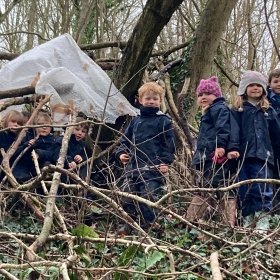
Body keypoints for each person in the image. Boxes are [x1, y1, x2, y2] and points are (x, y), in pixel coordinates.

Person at [116, 82, 176, 235]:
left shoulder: (163, 121)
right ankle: (128, 224)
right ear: (140, 100)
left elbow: (169, 145)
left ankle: (149, 226)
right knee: (126, 195)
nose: (151, 101)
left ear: (160, 101)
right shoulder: (135, 121)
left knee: (148, 197)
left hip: (152, 169)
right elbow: (125, 140)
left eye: (155, 99)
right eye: (148, 98)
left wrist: (165, 162)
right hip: (132, 168)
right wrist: (121, 153)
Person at [186, 76, 240, 227]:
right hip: (209, 155)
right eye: (200, 95)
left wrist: (221, 146)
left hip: (215, 156)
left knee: (210, 186)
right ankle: (224, 222)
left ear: (216, 95)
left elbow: (223, 129)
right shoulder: (209, 111)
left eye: (207, 94)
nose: (203, 97)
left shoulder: (219, 109)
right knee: (215, 185)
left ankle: (190, 219)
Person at [231, 70, 280, 232]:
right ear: (244, 88)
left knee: (262, 188)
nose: (254, 88)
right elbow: (234, 132)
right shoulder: (237, 110)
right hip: (243, 156)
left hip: (263, 156)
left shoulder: (269, 111)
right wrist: (233, 148)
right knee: (244, 189)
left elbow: (276, 136)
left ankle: (263, 218)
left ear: (264, 89)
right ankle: (248, 217)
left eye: (258, 85)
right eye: (250, 85)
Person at [13, 112, 56, 183]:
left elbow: (51, 154)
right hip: (23, 164)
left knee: (47, 168)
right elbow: (15, 151)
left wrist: (39, 153)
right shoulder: (26, 135)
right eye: (41, 124)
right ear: (34, 125)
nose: (44, 127)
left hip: (40, 165)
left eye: (47, 126)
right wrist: (27, 145)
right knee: (23, 178)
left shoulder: (51, 139)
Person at [54, 117, 89, 183]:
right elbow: (56, 155)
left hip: (74, 170)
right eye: (77, 129)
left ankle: (82, 187)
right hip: (61, 168)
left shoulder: (82, 144)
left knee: (86, 164)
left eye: (83, 131)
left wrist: (81, 158)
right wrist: (69, 161)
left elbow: (85, 155)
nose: (80, 133)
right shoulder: (62, 140)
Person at [267, 69, 280, 207]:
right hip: (269, 145)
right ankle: (273, 207)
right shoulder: (266, 101)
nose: (279, 84)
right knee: (271, 177)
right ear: (269, 84)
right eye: (276, 81)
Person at [0, 110, 23, 179]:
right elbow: (7, 151)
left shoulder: (17, 136)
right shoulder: (2, 134)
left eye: (19, 123)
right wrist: (24, 145)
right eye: (13, 121)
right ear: (6, 120)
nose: (16, 124)